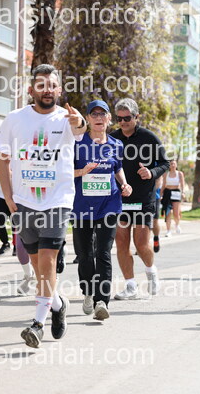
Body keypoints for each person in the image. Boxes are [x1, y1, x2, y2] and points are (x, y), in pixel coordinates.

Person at [0, 64, 87, 347]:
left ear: (59, 90)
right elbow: (3, 160)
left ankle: (37, 324)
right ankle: (57, 304)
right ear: (31, 89)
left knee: (48, 260)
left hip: (58, 200)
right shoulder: (15, 119)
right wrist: (9, 199)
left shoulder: (67, 119)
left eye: (53, 85)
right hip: (24, 202)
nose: (48, 90)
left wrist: (79, 121)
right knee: (37, 266)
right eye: (42, 85)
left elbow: (81, 128)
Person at [73, 100, 132, 321]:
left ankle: (102, 301)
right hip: (81, 206)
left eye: (102, 114)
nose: (98, 118)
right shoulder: (78, 143)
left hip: (110, 204)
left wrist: (125, 184)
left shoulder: (116, 144)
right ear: (88, 119)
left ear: (108, 118)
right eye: (94, 114)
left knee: (104, 253)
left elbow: (118, 168)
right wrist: (82, 172)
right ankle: (88, 291)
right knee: (84, 254)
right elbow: (64, 171)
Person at [110, 98, 169, 300]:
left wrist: (151, 173)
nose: (123, 122)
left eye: (127, 118)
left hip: (143, 198)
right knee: (121, 243)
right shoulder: (113, 138)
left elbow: (164, 163)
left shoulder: (148, 137)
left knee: (141, 244)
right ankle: (130, 286)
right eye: (119, 118)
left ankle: (151, 270)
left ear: (136, 117)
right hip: (120, 198)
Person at [0, 160, 34, 293]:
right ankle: (28, 274)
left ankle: (46, 286)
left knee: (40, 246)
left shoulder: (28, 155)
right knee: (1, 222)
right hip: (6, 197)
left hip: (29, 199)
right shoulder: (2, 155)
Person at [161, 159, 185, 236]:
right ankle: (168, 231)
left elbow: (182, 184)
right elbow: (163, 185)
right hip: (167, 192)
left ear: (176, 165)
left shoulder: (180, 174)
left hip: (176, 192)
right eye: (171, 164)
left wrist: (183, 192)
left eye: (174, 164)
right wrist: (161, 194)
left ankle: (177, 224)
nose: (173, 165)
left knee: (176, 213)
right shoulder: (166, 174)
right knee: (167, 212)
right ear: (169, 165)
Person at [153, 177, 162, 252]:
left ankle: (156, 238)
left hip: (154, 197)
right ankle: (141, 245)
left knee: (154, 221)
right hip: (140, 198)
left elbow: (159, 182)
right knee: (140, 222)